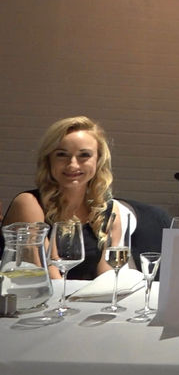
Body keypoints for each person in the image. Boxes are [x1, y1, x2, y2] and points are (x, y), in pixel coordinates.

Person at [2, 116, 130, 280]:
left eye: (84, 155)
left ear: (98, 160)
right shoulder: (29, 204)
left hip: (85, 297)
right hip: (38, 295)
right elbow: (50, 277)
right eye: (62, 155)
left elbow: (106, 278)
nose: (73, 165)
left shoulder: (108, 211)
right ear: (49, 160)